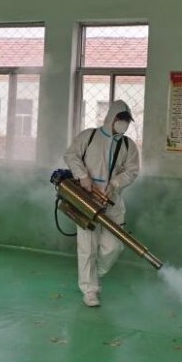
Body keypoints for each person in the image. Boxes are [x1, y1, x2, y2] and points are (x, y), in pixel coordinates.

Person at [63, 100, 140, 307]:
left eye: (126, 121)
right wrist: (82, 176)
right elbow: (70, 155)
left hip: (112, 202)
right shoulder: (88, 136)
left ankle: (93, 275)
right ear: (111, 118)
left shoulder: (128, 145)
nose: (123, 124)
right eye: (120, 119)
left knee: (114, 247)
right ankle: (89, 290)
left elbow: (132, 171)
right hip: (86, 199)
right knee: (87, 248)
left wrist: (115, 183)